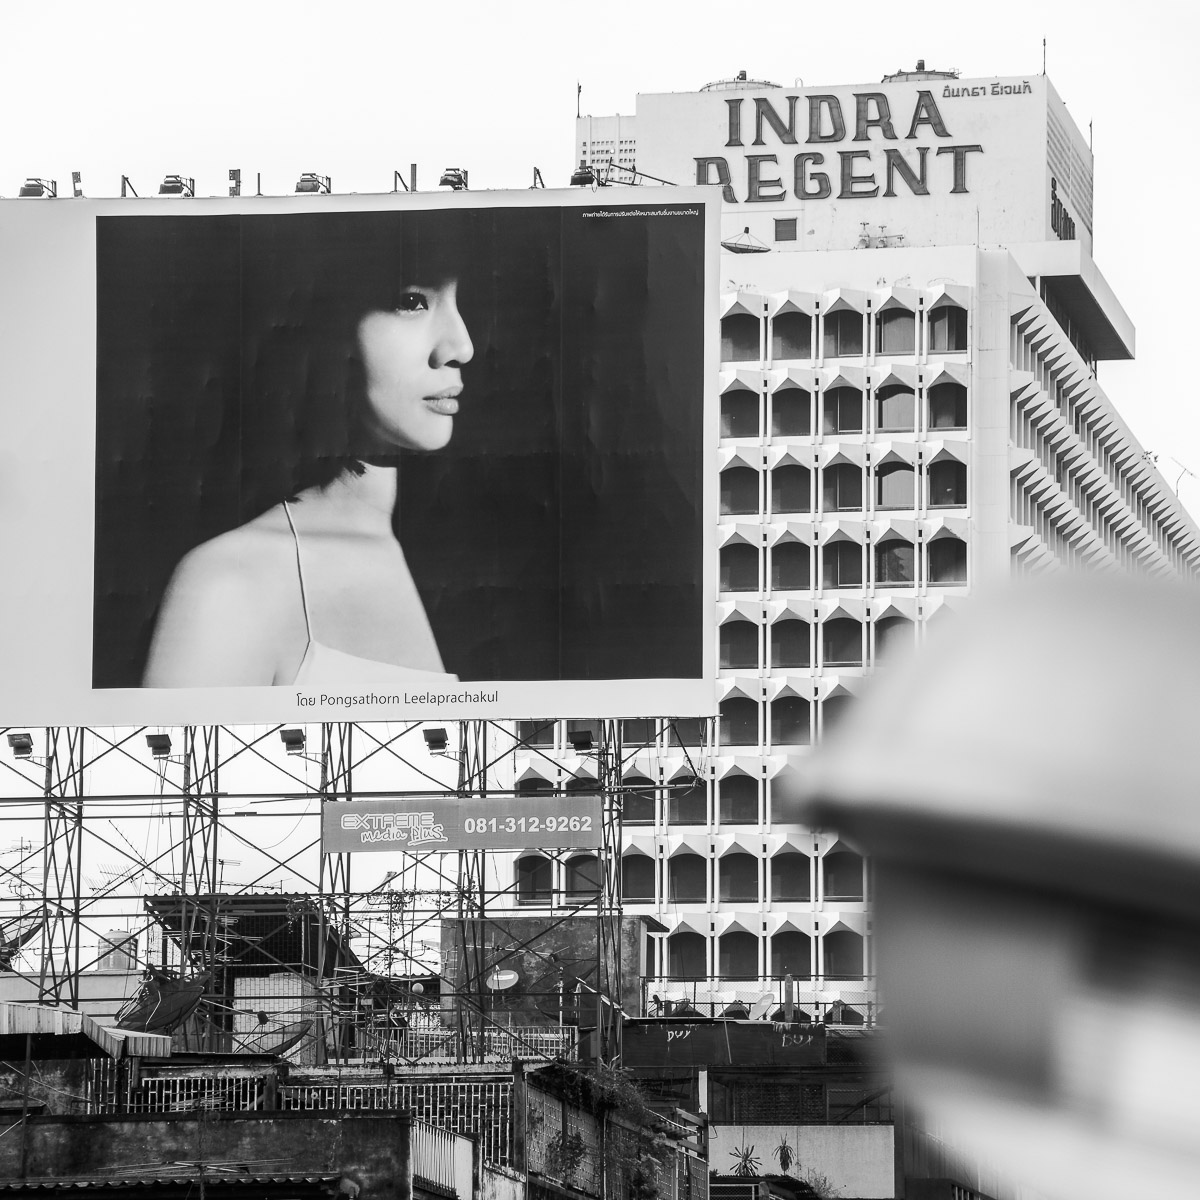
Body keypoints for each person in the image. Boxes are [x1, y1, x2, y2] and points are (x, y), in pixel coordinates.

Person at [142, 216, 475, 689]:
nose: (461, 346)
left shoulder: (467, 560)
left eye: (465, 303)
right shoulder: (230, 584)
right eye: (411, 302)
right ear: (324, 322)